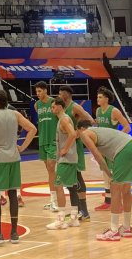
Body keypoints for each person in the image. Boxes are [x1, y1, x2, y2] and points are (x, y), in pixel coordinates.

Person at [0, 89, 37, 246]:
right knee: (12, 193)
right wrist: (22, 147)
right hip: (13, 157)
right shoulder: (15, 114)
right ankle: (14, 233)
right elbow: (33, 129)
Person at [77, 120, 132, 242]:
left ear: (80, 129)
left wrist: (109, 174)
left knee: (115, 188)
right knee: (126, 189)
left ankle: (113, 230)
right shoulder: (99, 131)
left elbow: (97, 156)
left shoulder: (84, 134)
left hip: (124, 150)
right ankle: (126, 228)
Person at [59, 85, 93, 220]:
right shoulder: (62, 109)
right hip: (67, 144)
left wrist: (79, 133)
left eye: (61, 93)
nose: (60, 95)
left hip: (75, 146)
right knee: (71, 178)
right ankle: (77, 208)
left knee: (77, 175)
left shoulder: (74, 107)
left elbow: (90, 120)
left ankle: (84, 211)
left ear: (67, 94)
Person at [94, 87, 132, 211]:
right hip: (102, 148)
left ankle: (119, 202)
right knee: (105, 175)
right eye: (97, 97)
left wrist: (117, 139)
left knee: (115, 176)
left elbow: (127, 127)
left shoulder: (114, 111)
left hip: (112, 149)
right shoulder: (98, 111)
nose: (97, 99)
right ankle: (108, 201)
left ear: (106, 98)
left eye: (100, 97)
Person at [46, 98, 81, 230]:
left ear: (60, 107)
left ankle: (60, 220)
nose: (52, 109)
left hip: (66, 159)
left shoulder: (64, 119)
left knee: (58, 186)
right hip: (71, 158)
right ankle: (74, 218)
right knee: (72, 188)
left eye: (54, 107)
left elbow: (73, 134)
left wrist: (65, 148)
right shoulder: (65, 119)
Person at [33, 81, 59, 212]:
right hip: (42, 140)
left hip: (53, 140)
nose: (37, 94)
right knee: (50, 171)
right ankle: (53, 200)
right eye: (36, 91)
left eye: (39, 91)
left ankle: (57, 200)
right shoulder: (36, 105)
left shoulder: (54, 102)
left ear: (45, 90)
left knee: (51, 167)